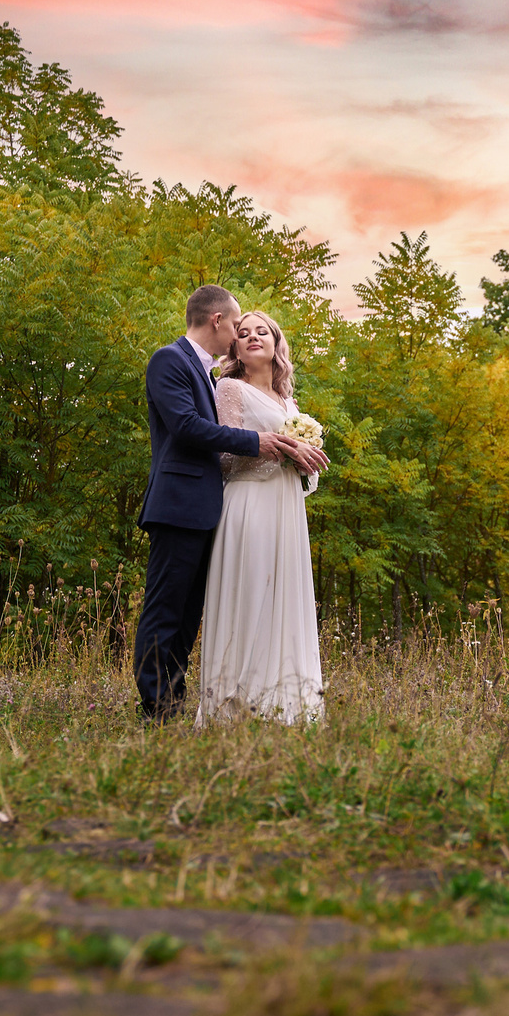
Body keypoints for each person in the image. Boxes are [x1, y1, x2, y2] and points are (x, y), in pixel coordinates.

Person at [133, 285, 325, 720]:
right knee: (166, 612)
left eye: (258, 331)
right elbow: (185, 426)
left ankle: (171, 706)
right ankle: (155, 712)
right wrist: (259, 442)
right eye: (240, 326)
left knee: (186, 619)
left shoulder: (204, 371)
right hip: (178, 505)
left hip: (207, 510)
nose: (244, 334)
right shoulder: (171, 360)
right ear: (218, 322)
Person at [200, 309, 325, 723]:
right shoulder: (229, 389)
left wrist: (303, 462)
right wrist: (281, 447)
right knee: (251, 594)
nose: (253, 336)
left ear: (276, 343)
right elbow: (222, 457)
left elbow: (294, 462)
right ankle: (234, 708)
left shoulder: (288, 400)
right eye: (243, 332)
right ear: (234, 346)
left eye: (262, 331)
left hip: (286, 509)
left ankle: (283, 706)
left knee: (283, 598)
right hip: (249, 504)